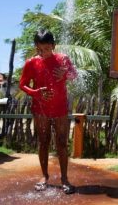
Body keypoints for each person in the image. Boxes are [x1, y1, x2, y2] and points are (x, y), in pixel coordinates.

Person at [19, 30, 77, 194]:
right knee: (43, 141)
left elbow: (74, 74)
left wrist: (65, 73)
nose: (42, 52)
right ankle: (44, 176)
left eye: (46, 48)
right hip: (41, 109)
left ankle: (65, 179)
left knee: (62, 143)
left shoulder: (62, 59)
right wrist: (36, 92)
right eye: (39, 49)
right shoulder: (31, 63)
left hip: (60, 109)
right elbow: (22, 84)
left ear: (53, 46)